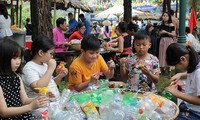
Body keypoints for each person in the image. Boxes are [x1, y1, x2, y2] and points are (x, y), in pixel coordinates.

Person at [0, 37, 49, 119]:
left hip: (19, 115)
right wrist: (31, 106)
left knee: (44, 116)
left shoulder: (16, 78)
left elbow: (25, 100)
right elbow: (4, 112)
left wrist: (38, 99)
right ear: (3, 58)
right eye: (14, 58)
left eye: (19, 58)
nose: (18, 62)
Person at [165, 43, 200, 119]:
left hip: (196, 112)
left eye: (175, 65)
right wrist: (180, 75)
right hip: (188, 105)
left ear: (183, 59)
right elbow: (192, 73)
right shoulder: (194, 66)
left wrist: (178, 94)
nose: (176, 67)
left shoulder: (198, 73)